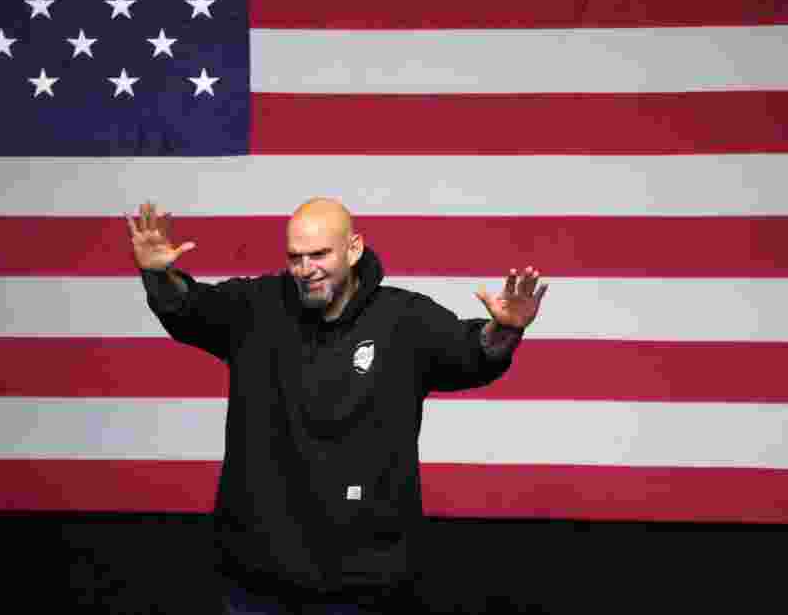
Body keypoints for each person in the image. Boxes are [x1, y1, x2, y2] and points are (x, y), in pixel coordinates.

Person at [126, 198, 548, 614]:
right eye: (295, 257)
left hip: (363, 580)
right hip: (256, 574)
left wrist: (506, 329)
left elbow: (473, 354)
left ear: (354, 248)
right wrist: (157, 275)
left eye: (319, 254)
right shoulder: (255, 308)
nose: (305, 269)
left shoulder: (404, 320)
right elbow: (188, 309)